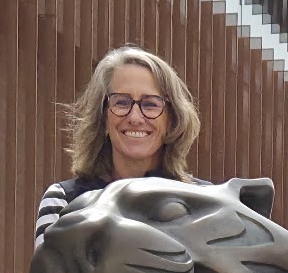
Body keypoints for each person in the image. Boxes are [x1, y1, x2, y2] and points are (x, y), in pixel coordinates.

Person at [37, 47, 200, 243]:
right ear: (103, 118)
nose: (135, 117)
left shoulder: (203, 204)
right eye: (121, 102)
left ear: (172, 120)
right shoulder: (62, 202)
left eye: (150, 104)